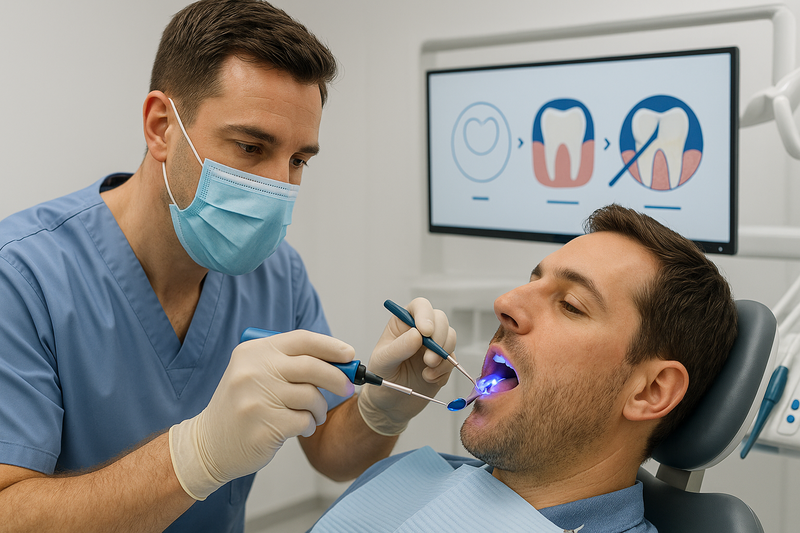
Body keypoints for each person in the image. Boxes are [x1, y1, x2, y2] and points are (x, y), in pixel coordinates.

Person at [0, 1, 456, 531]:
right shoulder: (22, 277)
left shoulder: (278, 274)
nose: (279, 185)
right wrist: (195, 456)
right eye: (250, 146)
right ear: (161, 126)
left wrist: (382, 410)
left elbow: (333, 454)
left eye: (299, 160)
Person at [311, 204, 738, 533]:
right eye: (532, 281)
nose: (506, 303)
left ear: (651, 391)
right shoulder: (404, 474)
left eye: (571, 305)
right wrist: (376, 414)